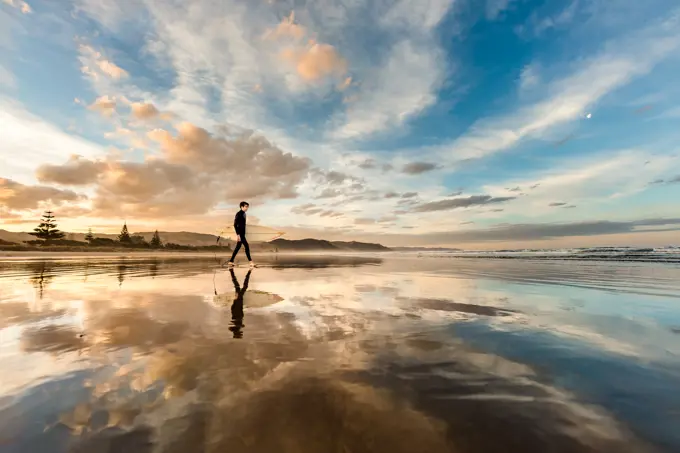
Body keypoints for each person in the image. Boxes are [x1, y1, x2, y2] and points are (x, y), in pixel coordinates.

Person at [228, 201, 255, 267]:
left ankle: (231, 261)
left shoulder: (244, 214)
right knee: (247, 246)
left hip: (242, 234)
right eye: (246, 206)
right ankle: (250, 262)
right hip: (240, 234)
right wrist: (238, 235)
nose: (247, 208)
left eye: (247, 207)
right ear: (241, 206)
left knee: (238, 248)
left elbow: (242, 225)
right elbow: (235, 224)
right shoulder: (239, 214)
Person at [228, 268, 250, 339]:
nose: (241, 332)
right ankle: (231, 272)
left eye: (240, 333)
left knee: (240, 287)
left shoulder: (238, 323)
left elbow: (236, 310)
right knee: (238, 286)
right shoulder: (236, 324)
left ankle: (248, 272)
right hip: (238, 304)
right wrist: (235, 301)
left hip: (238, 302)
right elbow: (233, 310)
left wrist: (236, 300)